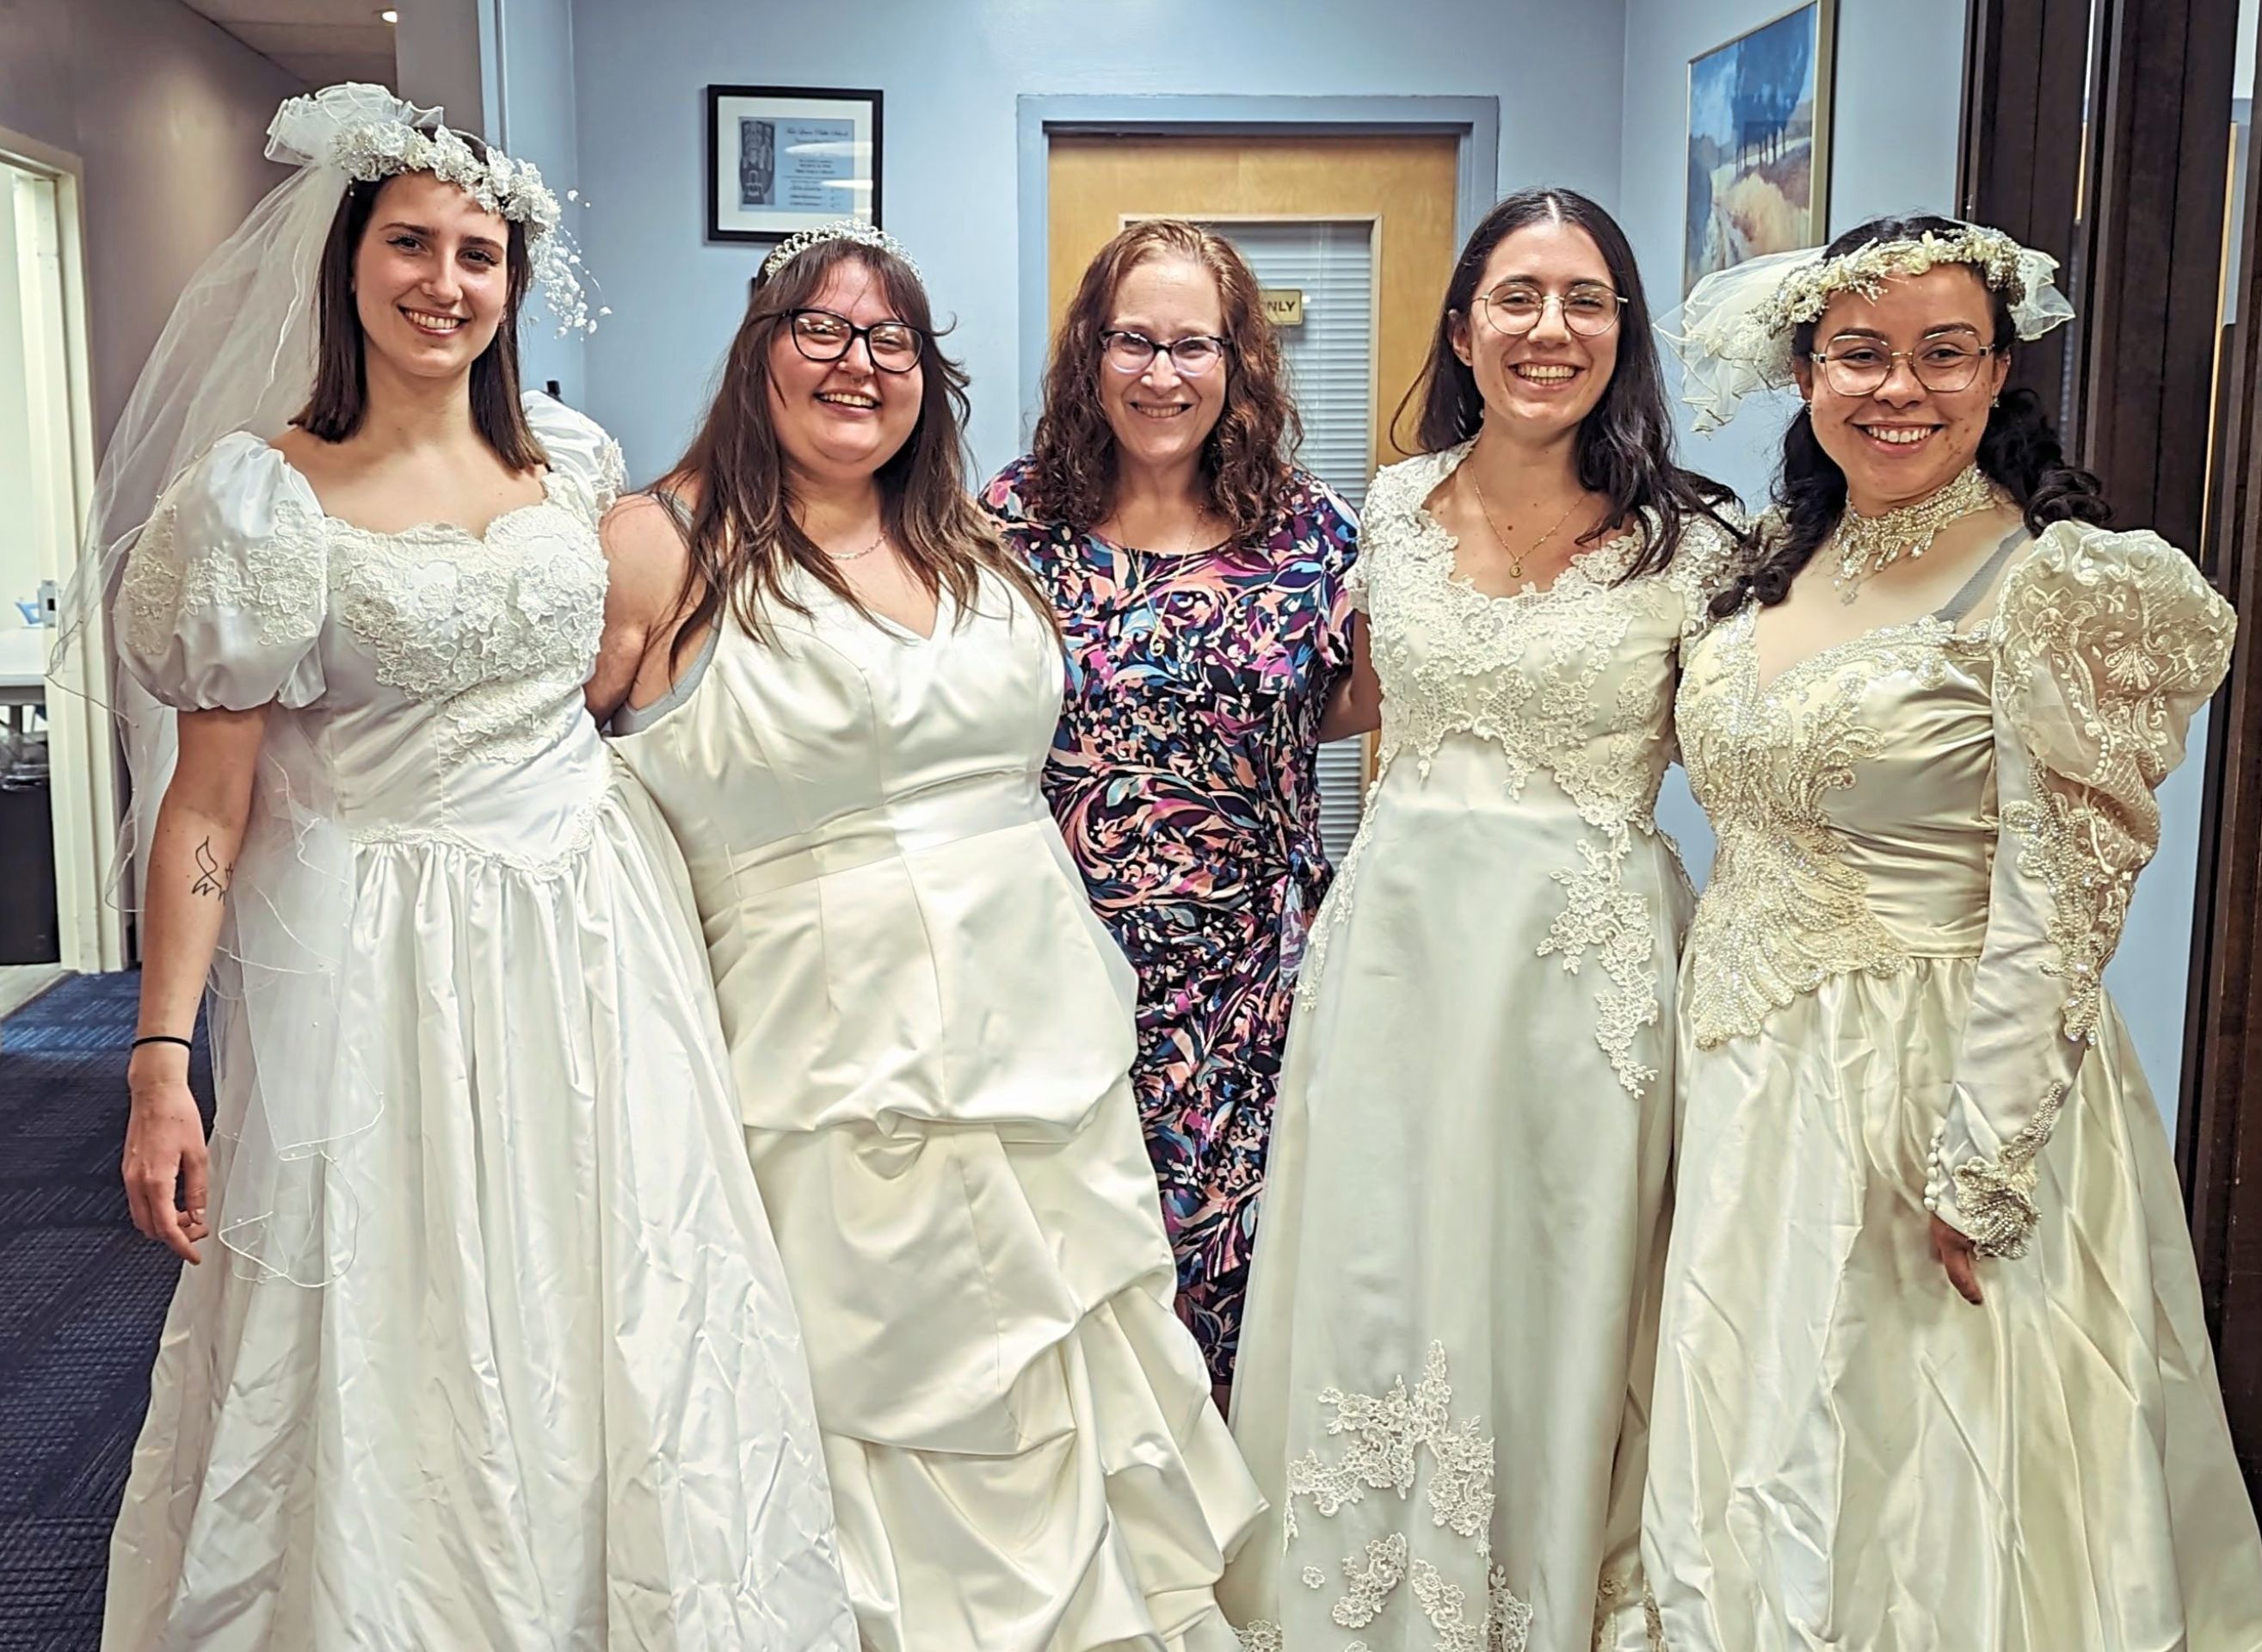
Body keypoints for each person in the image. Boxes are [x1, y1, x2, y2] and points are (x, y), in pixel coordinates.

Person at [89, 84, 851, 1649]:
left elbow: (610, 685)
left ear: (515, 284)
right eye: (410, 244)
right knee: (398, 1311)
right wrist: (163, 1060)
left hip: (589, 930)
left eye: (479, 254)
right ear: (347, 261)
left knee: (616, 1287)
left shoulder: (572, 465)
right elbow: (207, 808)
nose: (444, 282)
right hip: (373, 955)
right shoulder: (261, 498)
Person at [592, 221, 1260, 1652]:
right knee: (869, 1401)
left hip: (1041, 1056)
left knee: (1063, 1402)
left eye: (889, 339)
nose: (856, 363)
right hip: (825, 1068)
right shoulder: (658, 545)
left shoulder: (972, 538)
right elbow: (537, 792)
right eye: (819, 331)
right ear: (754, 354)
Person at [1645, 214, 2262, 1649]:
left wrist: (1984, 1154)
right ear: (1805, 370)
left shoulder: (2055, 584)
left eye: (1945, 355)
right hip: (1748, 1062)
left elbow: (2062, 898)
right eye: (1858, 355)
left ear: (2000, 373)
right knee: (1753, 1415)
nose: (1898, 391)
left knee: (1916, 1459)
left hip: (1932, 1072)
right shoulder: (1767, 562)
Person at [1218, 187, 1744, 1652]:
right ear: (1462, 327)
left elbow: (1758, 757)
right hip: (1395, 950)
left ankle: (1539, 1592)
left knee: (1554, 1274)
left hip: (1583, 972)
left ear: (1621, 331)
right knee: (1376, 1260)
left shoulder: (1695, 544)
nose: (1547, 328)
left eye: (1583, 299)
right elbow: (1348, 700)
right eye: (1516, 297)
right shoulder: (1390, 504)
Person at [983, 219, 1361, 1394]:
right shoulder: (1008, 521)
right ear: (1088, 357)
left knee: (1238, 1298)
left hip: (1254, 997)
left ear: (1239, 361)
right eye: (1131, 342)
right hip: (1058, 974)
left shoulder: (1307, 531)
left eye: (1191, 344)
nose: (1160, 374)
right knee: (1077, 1294)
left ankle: (1232, 1571)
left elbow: (1355, 704)